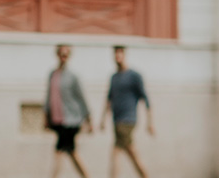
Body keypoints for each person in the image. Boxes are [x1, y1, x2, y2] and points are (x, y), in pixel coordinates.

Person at [99, 46, 153, 178]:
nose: (117, 57)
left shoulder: (134, 76)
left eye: (120, 54)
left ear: (124, 55)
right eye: (115, 55)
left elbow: (146, 100)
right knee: (132, 153)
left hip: (128, 120)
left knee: (116, 152)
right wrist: (103, 120)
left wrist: (150, 122)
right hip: (117, 121)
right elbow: (109, 99)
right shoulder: (114, 77)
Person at [44, 44, 92, 178]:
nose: (63, 57)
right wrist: (46, 116)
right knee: (71, 152)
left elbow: (81, 98)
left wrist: (88, 119)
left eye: (66, 55)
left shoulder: (72, 77)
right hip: (58, 120)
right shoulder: (52, 75)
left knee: (60, 151)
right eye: (61, 54)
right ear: (58, 55)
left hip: (71, 120)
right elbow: (48, 97)